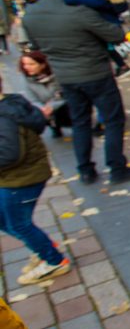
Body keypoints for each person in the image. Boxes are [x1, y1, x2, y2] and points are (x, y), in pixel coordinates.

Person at [20, 0, 130, 185]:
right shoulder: (79, 11)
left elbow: (36, 46)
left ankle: (85, 170)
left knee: (80, 122)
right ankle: (117, 168)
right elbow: (115, 35)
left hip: (65, 77)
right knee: (113, 120)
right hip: (95, 73)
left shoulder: (30, 14)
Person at [0, 75, 71, 284]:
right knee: (9, 221)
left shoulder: (4, 117)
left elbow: (9, 154)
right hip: (19, 177)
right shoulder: (10, 104)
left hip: (20, 180)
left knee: (18, 224)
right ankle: (43, 247)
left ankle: (53, 260)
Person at [66, 0, 130, 77]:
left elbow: (96, 2)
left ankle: (121, 65)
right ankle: (122, 65)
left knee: (105, 49)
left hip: (103, 25)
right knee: (108, 49)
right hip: (107, 25)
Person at [19, 51, 71, 137]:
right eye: (24, 64)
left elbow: (64, 95)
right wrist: (42, 109)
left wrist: (52, 106)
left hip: (59, 104)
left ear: (43, 65)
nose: (26, 67)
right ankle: (53, 126)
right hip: (43, 106)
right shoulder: (27, 80)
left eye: (31, 64)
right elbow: (32, 99)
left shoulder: (57, 76)